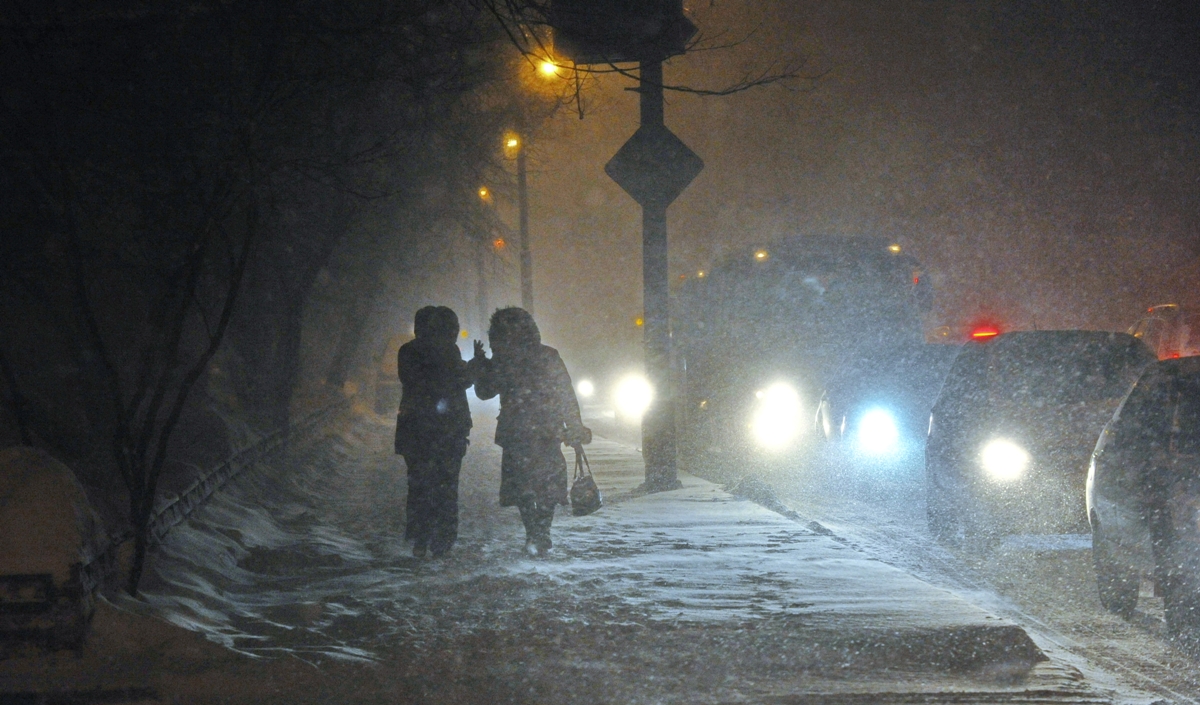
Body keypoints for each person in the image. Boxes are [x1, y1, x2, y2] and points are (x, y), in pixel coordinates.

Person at [473, 307, 591, 556]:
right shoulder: (548, 356)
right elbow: (565, 394)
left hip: (516, 430)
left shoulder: (504, 360)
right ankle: (543, 530)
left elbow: (485, 392)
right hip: (547, 429)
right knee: (548, 482)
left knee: (522, 484)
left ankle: (532, 533)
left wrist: (481, 364)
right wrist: (574, 425)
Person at [394, 306, 475, 558]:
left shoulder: (408, 351)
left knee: (419, 484)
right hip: (447, 429)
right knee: (446, 486)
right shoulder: (448, 352)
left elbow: (416, 382)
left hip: (416, 429)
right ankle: (442, 539)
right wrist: (468, 371)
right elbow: (452, 384)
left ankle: (421, 537)